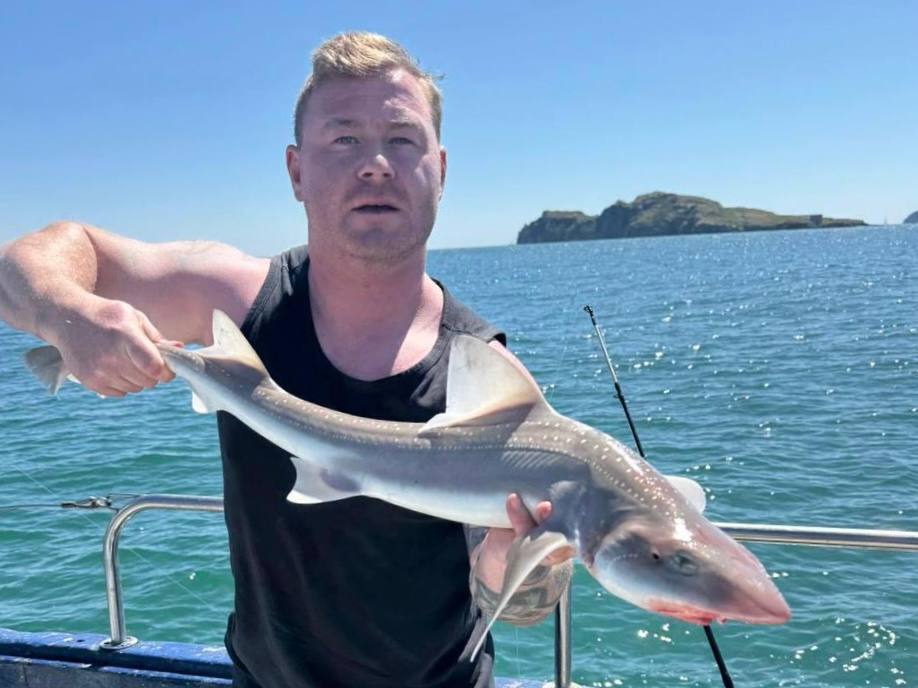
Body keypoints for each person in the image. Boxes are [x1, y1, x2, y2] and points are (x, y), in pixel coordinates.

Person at [0, 32, 573, 688]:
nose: (376, 165)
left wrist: (517, 556)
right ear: (297, 171)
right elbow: (26, 264)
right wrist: (69, 315)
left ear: (439, 169)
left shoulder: (488, 378)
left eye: (402, 139)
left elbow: (522, 606)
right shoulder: (238, 300)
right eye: (344, 139)